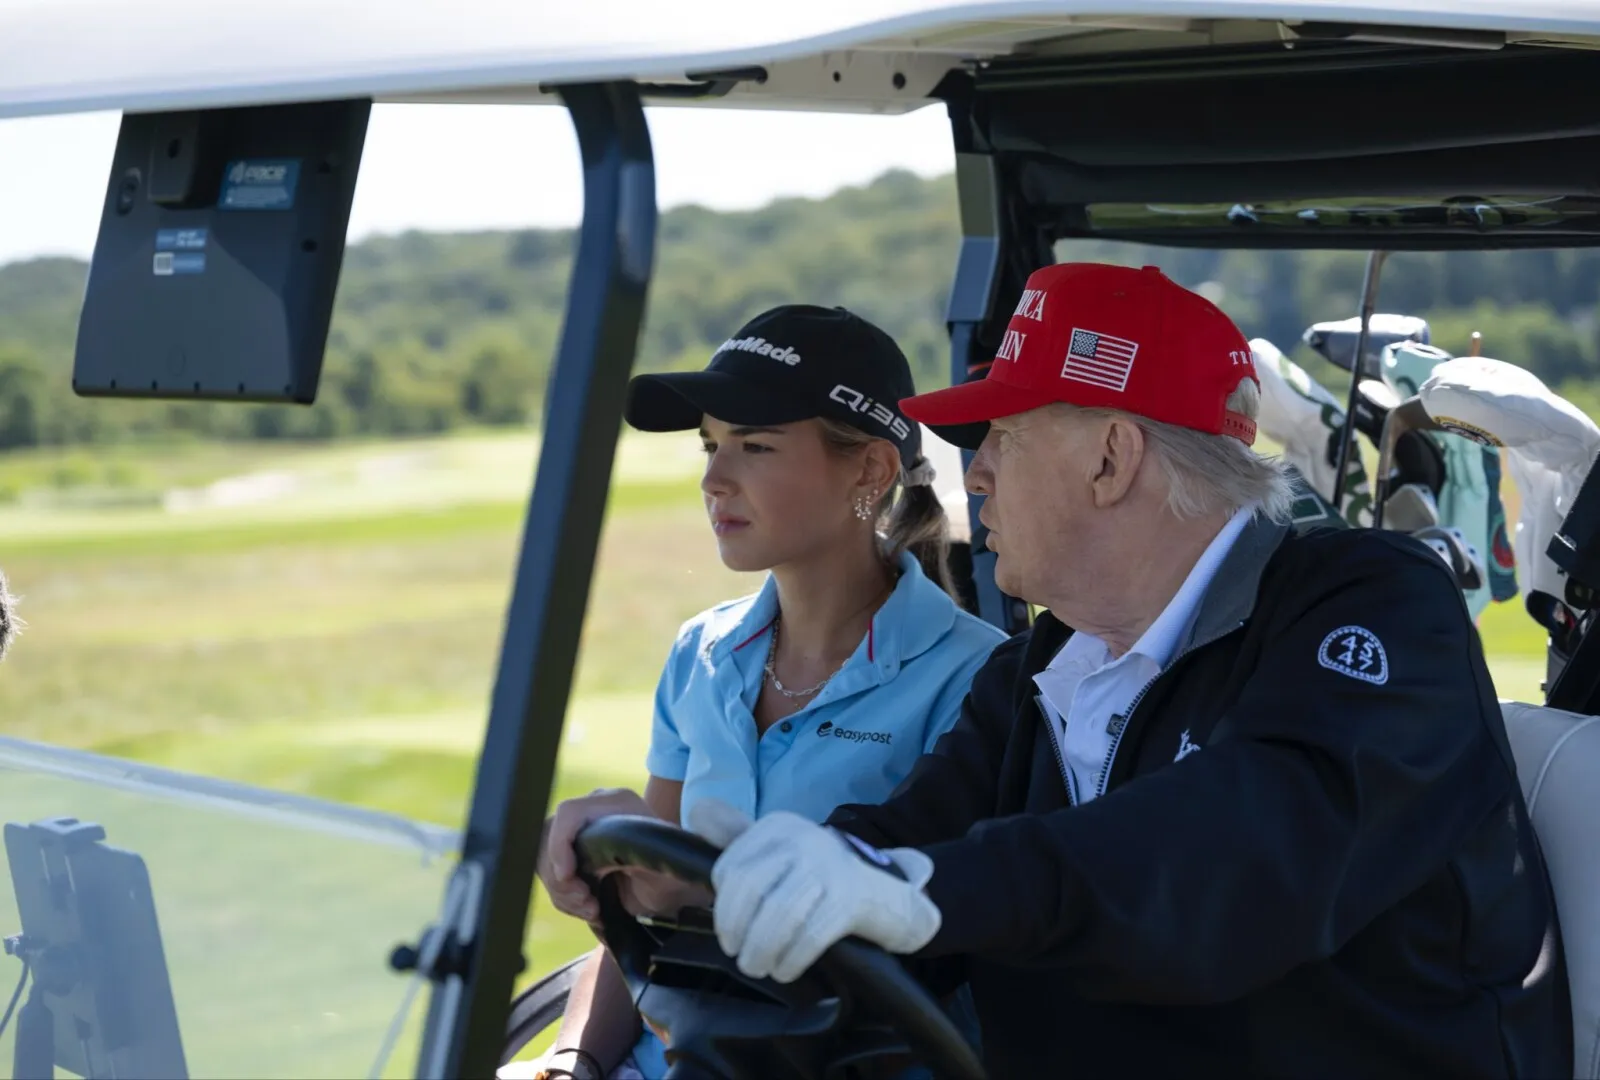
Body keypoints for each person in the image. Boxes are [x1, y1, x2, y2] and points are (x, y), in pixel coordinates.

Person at [551, 263, 1574, 1078]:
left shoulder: (1366, 604)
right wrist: (688, 889)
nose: (972, 473)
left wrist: (916, 884)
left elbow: (1242, 848)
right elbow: (894, 849)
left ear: (1110, 458)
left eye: (999, 435)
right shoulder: (1045, 668)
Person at [526, 304, 1006, 1080]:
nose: (715, 479)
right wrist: (570, 1058)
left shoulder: (979, 679)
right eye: (712, 445)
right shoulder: (701, 652)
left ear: (870, 470)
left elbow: (928, 947)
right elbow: (643, 936)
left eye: (755, 446)